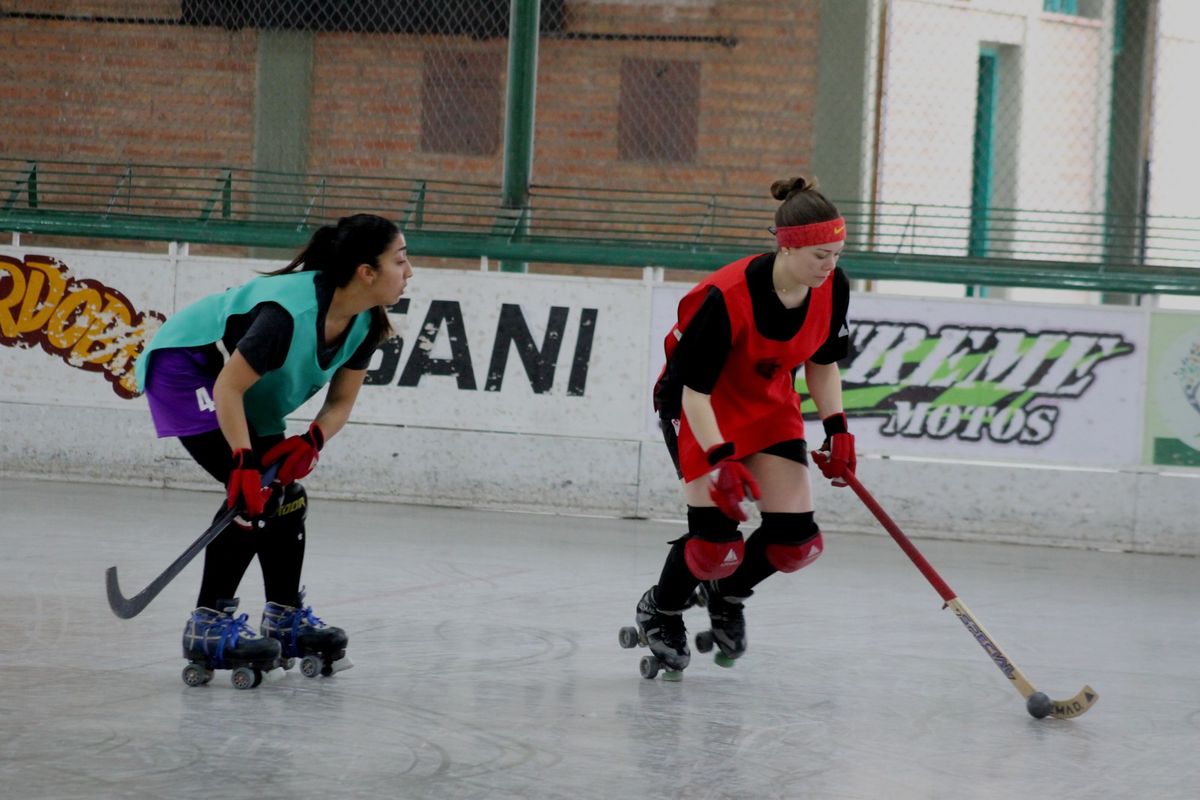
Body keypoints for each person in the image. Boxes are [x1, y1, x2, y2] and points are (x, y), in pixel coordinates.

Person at [134, 213, 411, 686]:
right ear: (366, 272)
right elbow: (226, 389)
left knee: (286, 494)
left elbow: (341, 402)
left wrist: (312, 439)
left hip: (243, 390)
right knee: (255, 492)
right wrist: (243, 463)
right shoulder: (287, 315)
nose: (409, 272)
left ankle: (284, 614)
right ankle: (207, 623)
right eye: (400, 261)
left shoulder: (367, 323)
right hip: (190, 368)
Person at [637, 176, 856, 677]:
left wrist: (837, 427)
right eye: (821, 254)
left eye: (838, 253)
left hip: (767, 402)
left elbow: (823, 362)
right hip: (699, 406)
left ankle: (727, 594)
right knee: (716, 545)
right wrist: (720, 461)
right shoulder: (726, 297)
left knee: (797, 542)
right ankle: (661, 608)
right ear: (788, 245)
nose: (831, 266)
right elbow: (694, 393)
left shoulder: (832, 287)